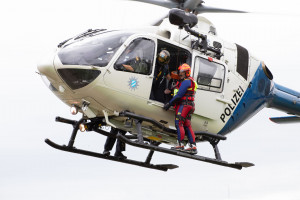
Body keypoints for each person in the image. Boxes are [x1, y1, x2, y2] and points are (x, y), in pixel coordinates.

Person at [163, 63, 198, 154]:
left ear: (186, 72)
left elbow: (179, 95)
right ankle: (193, 146)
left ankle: (180, 145)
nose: (180, 73)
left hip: (184, 105)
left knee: (179, 123)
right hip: (190, 105)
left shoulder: (186, 81)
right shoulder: (191, 81)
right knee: (187, 125)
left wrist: (169, 104)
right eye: (180, 71)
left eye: (182, 72)